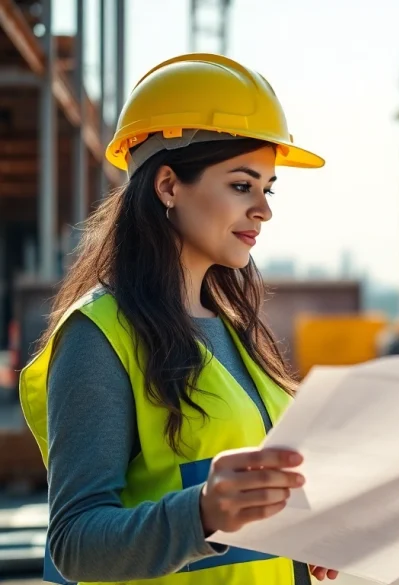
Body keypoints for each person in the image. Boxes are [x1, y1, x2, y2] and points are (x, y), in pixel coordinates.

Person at [19, 53, 337, 585]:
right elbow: (74, 542)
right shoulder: (100, 335)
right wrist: (203, 516)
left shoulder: (237, 329)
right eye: (242, 185)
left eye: (268, 188)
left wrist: (309, 533)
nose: (264, 209)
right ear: (168, 186)